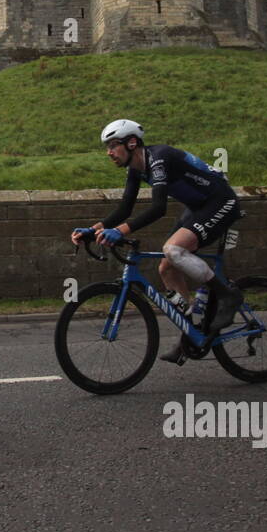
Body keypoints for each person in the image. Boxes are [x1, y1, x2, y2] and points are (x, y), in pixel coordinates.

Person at [72, 119, 244, 363]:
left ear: (132, 143)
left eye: (113, 145)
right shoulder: (136, 169)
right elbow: (124, 209)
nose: (109, 152)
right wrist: (92, 230)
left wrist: (120, 232)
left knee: (173, 250)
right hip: (198, 207)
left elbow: (158, 208)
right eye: (106, 147)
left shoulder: (158, 158)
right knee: (166, 267)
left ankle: (228, 296)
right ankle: (191, 335)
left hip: (221, 201)